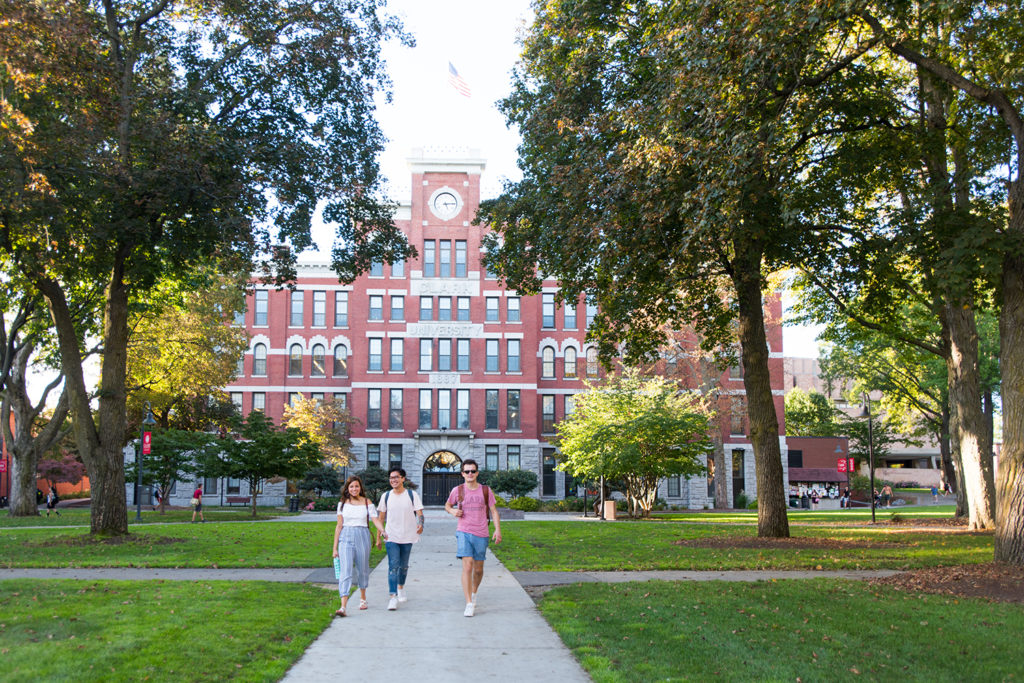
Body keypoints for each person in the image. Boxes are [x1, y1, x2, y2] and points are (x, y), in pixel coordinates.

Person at [444, 459, 501, 617]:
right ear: (462, 473)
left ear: (477, 473)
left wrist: (498, 530)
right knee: (467, 566)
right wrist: (453, 512)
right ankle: (469, 602)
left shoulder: (485, 490)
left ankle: (474, 592)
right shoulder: (458, 490)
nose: (470, 474)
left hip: (481, 533)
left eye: (473, 471)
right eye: (467, 471)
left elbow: (494, 511)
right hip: (463, 531)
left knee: (478, 569)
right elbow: (447, 505)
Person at [332, 475, 387, 617]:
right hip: (346, 536)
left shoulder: (367, 502)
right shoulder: (342, 503)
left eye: (356, 486)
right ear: (347, 489)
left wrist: (382, 530)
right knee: (345, 571)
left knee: (362, 569)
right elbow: (339, 526)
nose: (354, 489)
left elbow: (375, 519)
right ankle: (343, 606)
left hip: (362, 536)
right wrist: (334, 548)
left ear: (360, 488)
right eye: (351, 487)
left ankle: (363, 598)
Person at [378, 467, 424, 611]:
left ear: (403, 478)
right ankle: (393, 597)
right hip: (391, 536)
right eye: (391, 478)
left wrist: (420, 524)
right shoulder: (386, 496)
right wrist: (380, 535)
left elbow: (420, 514)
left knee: (403, 566)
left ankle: (401, 588)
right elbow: (380, 518)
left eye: (396, 477)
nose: (394, 480)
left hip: (408, 535)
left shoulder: (412, 495)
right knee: (393, 566)